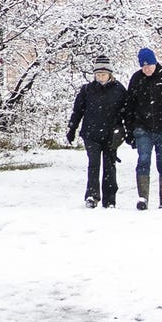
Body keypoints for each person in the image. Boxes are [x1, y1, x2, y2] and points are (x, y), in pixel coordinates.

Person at [124, 47, 162, 210]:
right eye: (143, 67)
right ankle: (143, 198)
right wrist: (129, 130)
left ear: (154, 62)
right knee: (143, 160)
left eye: (149, 65)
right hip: (142, 128)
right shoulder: (137, 79)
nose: (146, 69)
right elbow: (129, 106)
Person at [66, 54, 128, 208]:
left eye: (104, 74)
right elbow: (77, 110)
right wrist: (72, 128)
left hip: (111, 135)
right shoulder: (87, 90)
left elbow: (127, 112)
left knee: (110, 166)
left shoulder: (119, 89)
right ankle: (92, 196)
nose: (101, 77)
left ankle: (110, 199)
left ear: (110, 74)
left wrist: (127, 131)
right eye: (98, 74)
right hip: (91, 134)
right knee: (93, 165)